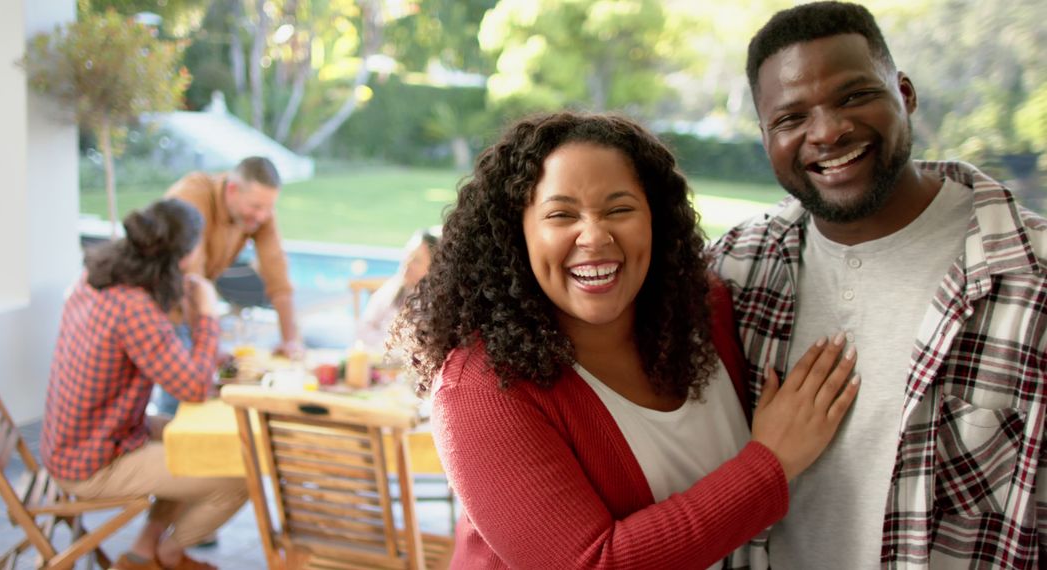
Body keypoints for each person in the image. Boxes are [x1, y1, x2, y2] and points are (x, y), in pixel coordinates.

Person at [392, 111, 860, 568]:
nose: (594, 237)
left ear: (654, 219)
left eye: (619, 209)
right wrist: (772, 463)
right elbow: (593, 563)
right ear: (518, 235)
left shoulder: (704, 309)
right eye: (561, 214)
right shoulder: (479, 389)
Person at [709, 2, 1047, 568]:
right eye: (791, 119)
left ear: (905, 94)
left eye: (853, 96)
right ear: (766, 136)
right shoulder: (733, 269)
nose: (827, 131)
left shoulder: (1030, 278)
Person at [41, 200, 248, 570]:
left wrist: (200, 344)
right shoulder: (133, 307)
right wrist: (207, 313)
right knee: (238, 476)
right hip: (92, 463)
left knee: (199, 445)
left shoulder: (97, 277)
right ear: (181, 257)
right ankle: (169, 555)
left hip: (76, 440)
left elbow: (161, 353)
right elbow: (194, 387)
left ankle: (144, 553)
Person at [165, 156, 302, 358]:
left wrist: (290, 341)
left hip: (191, 305)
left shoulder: (258, 213)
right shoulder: (191, 199)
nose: (263, 216)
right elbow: (192, 280)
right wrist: (212, 349)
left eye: (268, 208)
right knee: (188, 383)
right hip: (162, 308)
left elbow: (277, 273)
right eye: (256, 207)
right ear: (232, 190)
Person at [355, 227, 439, 353]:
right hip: (377, 357)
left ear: (432, 268)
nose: (407, 263)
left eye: (416, 260)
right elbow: (364, 327)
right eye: (408, 255)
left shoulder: (432, 302)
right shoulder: (393, 286)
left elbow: (416, 347)